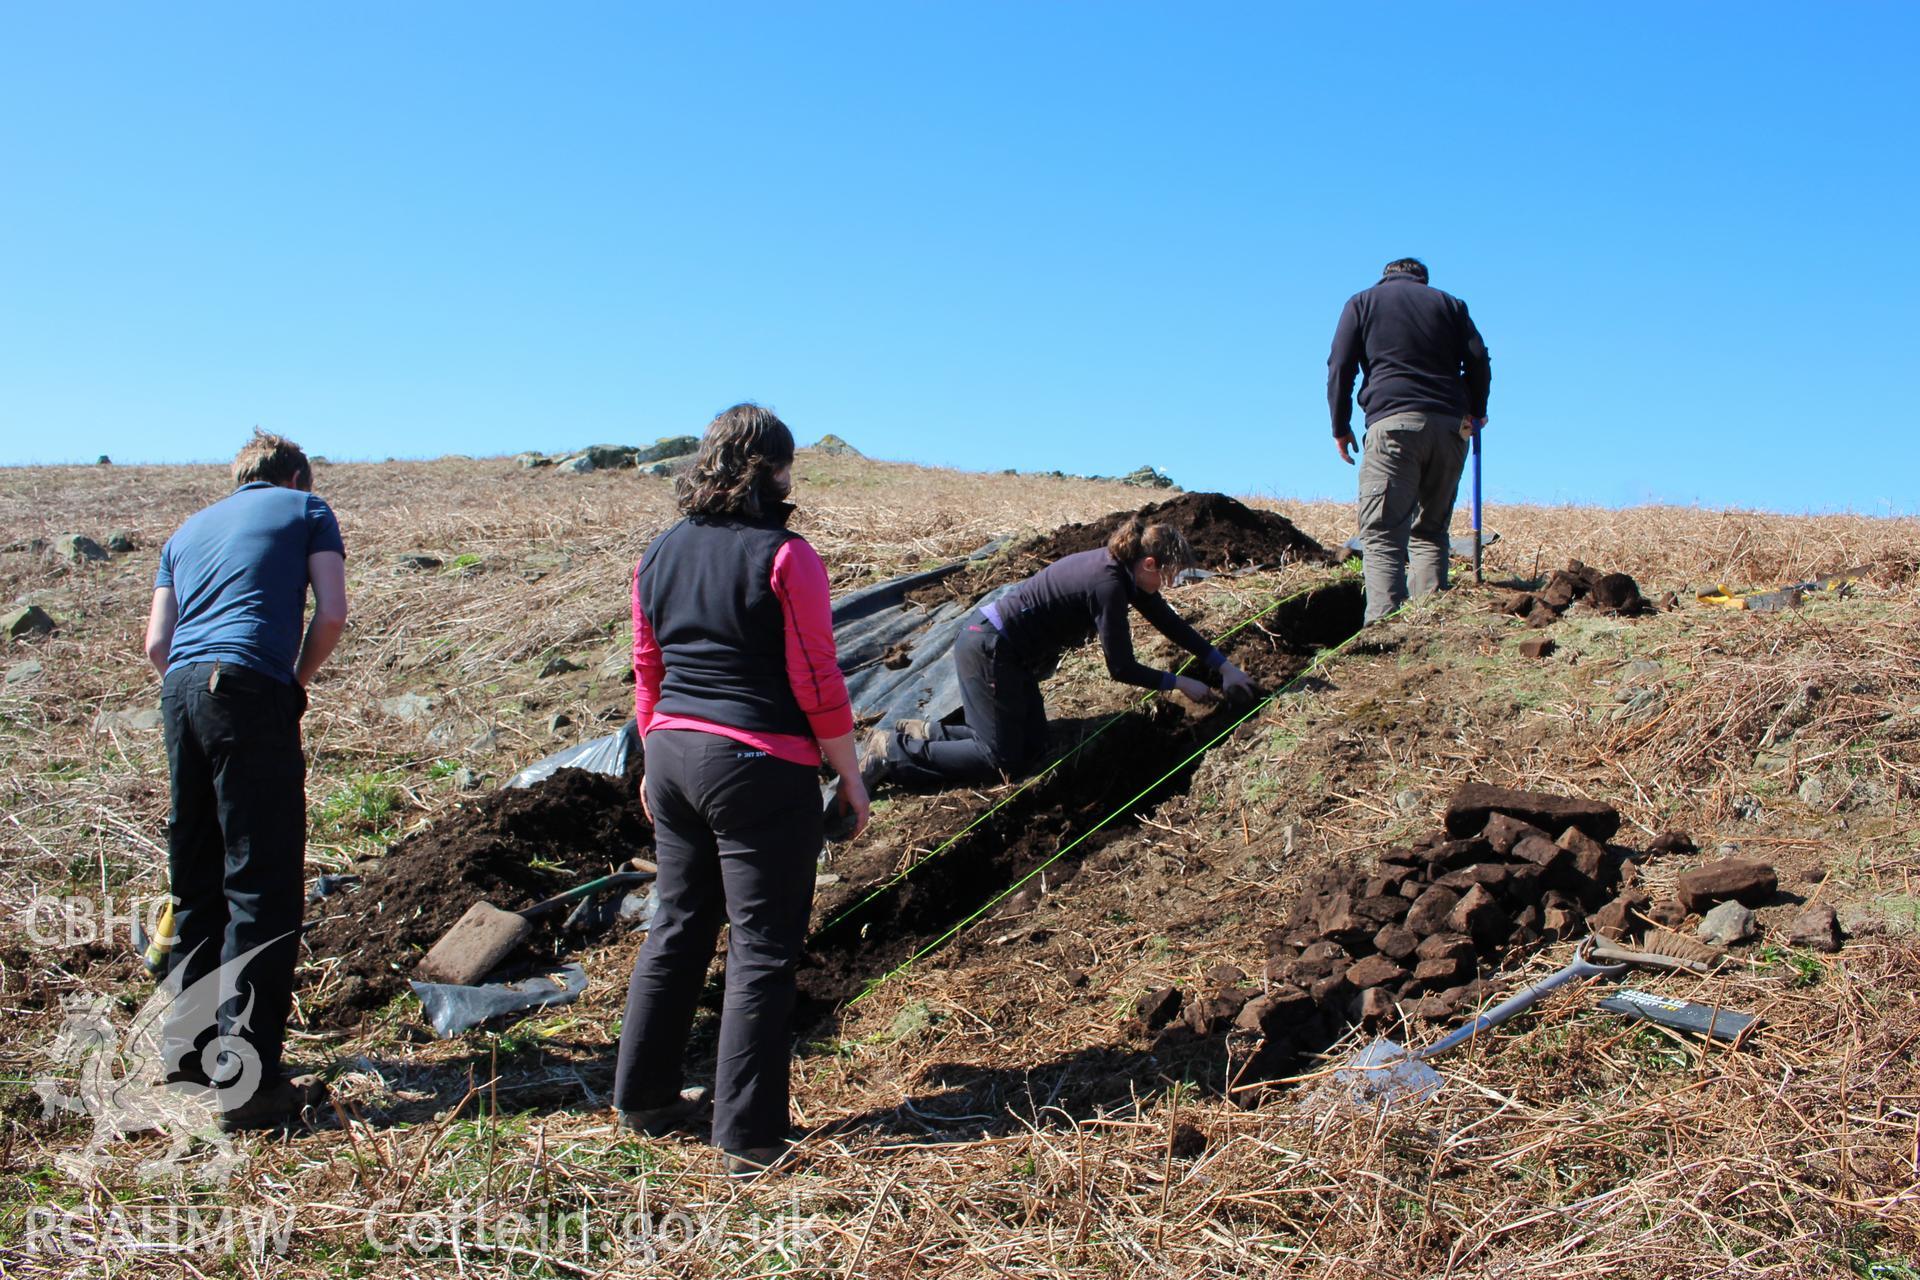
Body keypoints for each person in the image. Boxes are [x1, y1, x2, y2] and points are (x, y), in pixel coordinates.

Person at [612, 403, 869, 1177]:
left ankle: (642, 1098)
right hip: (758, 764)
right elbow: (817, 678)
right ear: (777, 470)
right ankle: (749, 1135)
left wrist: (654, 757)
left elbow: (647, 666)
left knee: (680, 923)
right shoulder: (786, 556)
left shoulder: (658, 553)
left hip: (675, 754)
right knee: (763, 944)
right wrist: (850, 775)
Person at [142, 429, 348, 1130]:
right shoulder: (306, 509)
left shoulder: (185, 531)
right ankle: (248, 1084)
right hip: (248, 690)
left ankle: (192, 1058)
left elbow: (156, 646)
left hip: (179, 697)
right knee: (260, 885)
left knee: (196, 881)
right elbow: (334, 611)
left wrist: (194, 694)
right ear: (295, 475)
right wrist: (291, 684)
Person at [866, 517, 1259, 789]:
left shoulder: (1123, 572)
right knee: (1001, 760)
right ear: (1150, 563)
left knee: (1034, 744)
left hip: (1008, 654)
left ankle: (929, 732)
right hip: (989, 648)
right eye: (1167, 578)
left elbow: (1169, 623)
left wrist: (1224, 667)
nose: (1167, 587)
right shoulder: (1107, 585)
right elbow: (1120, 667)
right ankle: (894, 752)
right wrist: (1176, 682)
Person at [1327, 257, 1492, 624]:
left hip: (1393, 425)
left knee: (1383, 532)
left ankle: (1384, 629)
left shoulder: (1362, 302)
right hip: (1451, 428)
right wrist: (1477, 410)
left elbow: (1340, 366)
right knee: (1431, 529)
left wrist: (1340, 426)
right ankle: (1425, 628)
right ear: (1423, 280)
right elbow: (1478, 359)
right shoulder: (1450, 304)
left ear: (1386, 277)